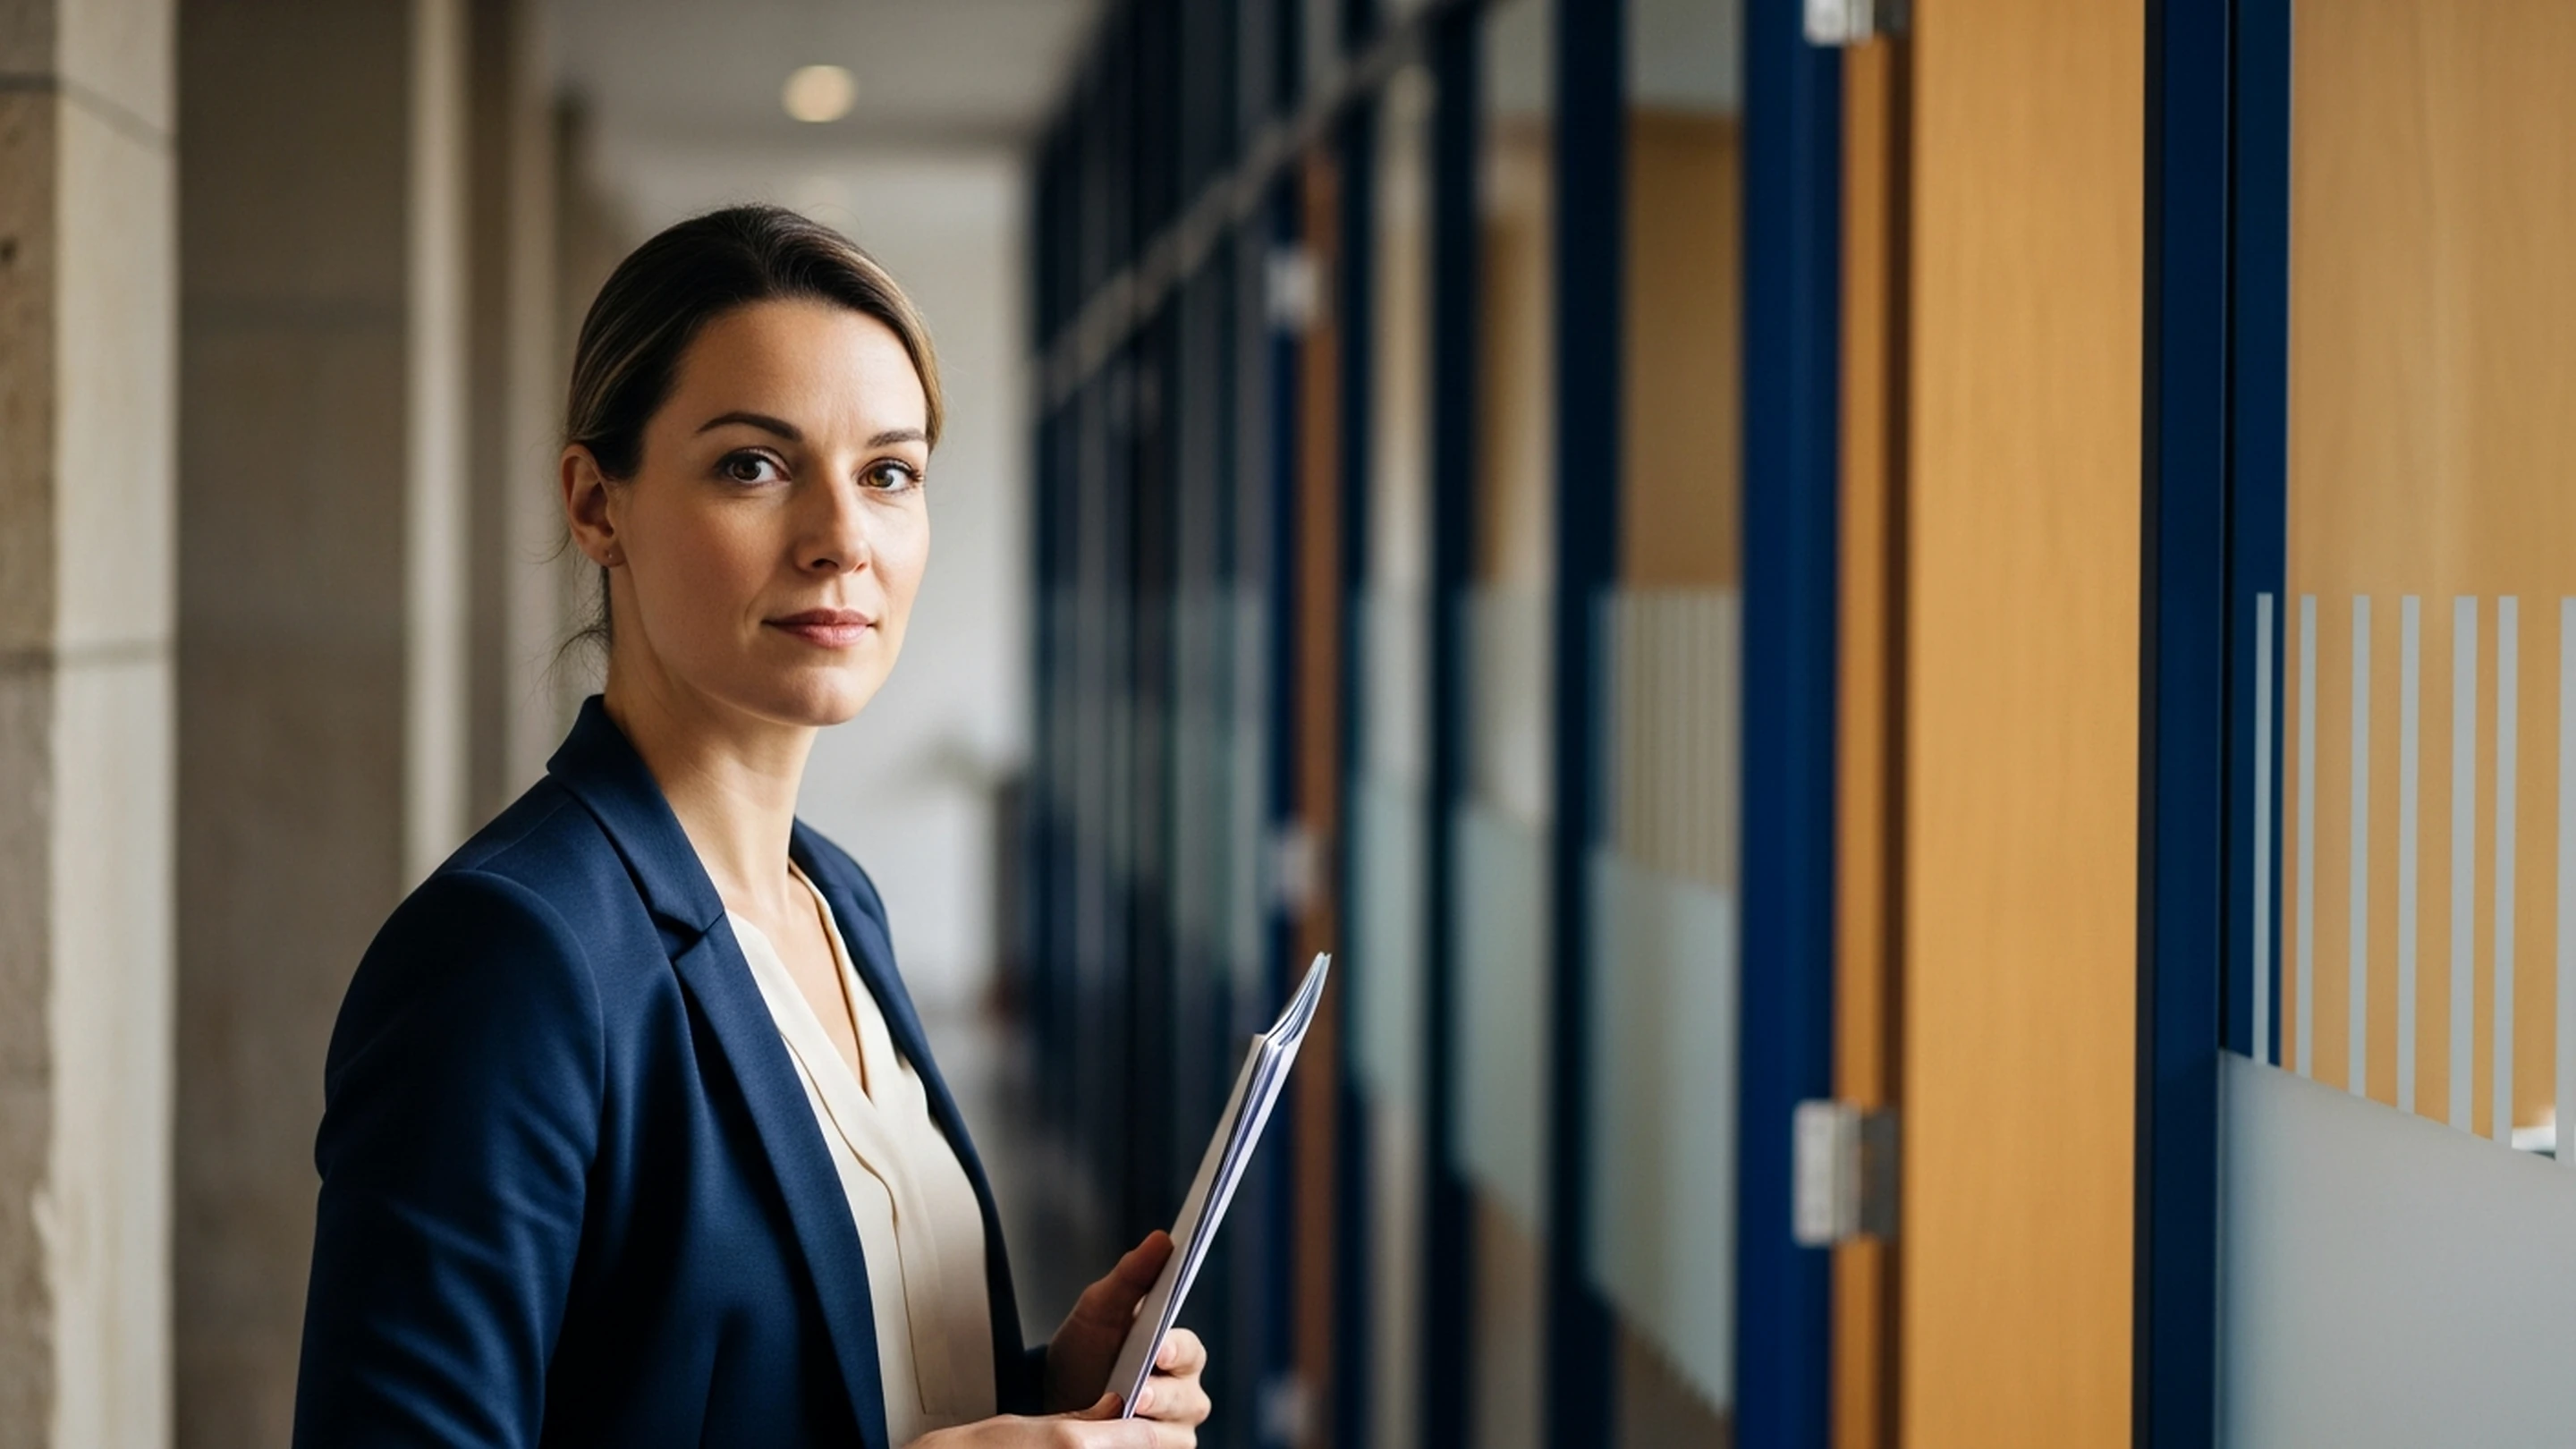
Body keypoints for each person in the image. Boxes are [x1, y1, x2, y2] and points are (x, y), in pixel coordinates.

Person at [292, 206, 1208, 1448]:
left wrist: (1042, 1395)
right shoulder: (513, 956)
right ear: (595, 504)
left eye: (889, 473)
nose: (842, 542)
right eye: (753, 466)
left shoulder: (836, 900)